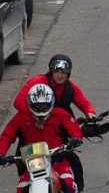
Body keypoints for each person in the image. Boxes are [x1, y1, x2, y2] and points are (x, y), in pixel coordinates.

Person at [12, 53, 95, 190]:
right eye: (56, 71)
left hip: (58, 131)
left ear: (69, 74)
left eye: (64, 72)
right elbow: (18, 102)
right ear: (51, 71)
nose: (60, 75)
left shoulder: (70, 87)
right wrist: (37, 117)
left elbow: (84, 103)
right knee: (21, 165)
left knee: (73, 163)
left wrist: (90, 113)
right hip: (32, 131)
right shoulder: (38, 82)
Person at [0, 85, 83, 193]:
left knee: (69, 185)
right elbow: (7, 135)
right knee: (21, 190)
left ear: (51, 102)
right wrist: (1, 153)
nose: (40, 108)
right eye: (37, 105)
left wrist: (75, 138)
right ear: (30, 104)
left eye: (43, 105)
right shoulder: (21, 117)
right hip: (31, 163)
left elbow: (74, 128)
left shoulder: (60, 114)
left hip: (58, 161)